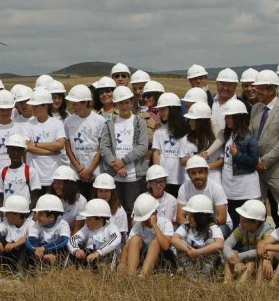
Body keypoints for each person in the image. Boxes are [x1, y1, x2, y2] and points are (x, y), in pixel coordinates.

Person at [250, 70, 279, 224]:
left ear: (271, 89)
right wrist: (254, 159)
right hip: (258, 170)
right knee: (257, 210)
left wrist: (264, 161)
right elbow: (252, 136)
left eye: (260, 88)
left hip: (278, 171)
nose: (255, 91)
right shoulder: (256, 108)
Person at [98, 86, 149, 214]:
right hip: (114, 176)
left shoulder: (140, 122)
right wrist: (116, 165)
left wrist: (124, 161)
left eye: (127, 102)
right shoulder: (109, 124)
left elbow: (143, 147)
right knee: (114, 210)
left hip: (134, 177)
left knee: (133, 211)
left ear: (132, 103)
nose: (124, 106)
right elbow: (104, 147)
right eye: (121, 103)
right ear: (116, 104)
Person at [218, 98, 260, 226]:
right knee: (234, 222)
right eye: (226, 117)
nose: (227, 120)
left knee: (246, 222)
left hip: (244, 189)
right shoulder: (228, 135)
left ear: (238, 118)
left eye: (230, 117)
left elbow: (253, 161)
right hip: (229, 188)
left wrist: (237, 155)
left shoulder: (249, 137)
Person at [22, 89, 69, 190]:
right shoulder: (28, 124)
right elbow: (26, 146)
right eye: (32, 106)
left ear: (46, 106)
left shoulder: (57, 124)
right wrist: (51, 152)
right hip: (34, 177)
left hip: (53, 176)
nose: (33, 109)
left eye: (36, 106)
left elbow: (60, 145)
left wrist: (36, 144)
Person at [118, 193, 174, 276]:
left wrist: (155, 225)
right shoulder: (138, 226)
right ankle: (131, 274)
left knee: (156, 242)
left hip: (164, 260)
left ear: (155, 213)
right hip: (144, 259)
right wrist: (122, 262)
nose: (145, 221)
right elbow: (128, 246)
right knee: (134, 239)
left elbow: (166, 246)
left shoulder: (165, 223)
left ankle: (142, 276)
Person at [150, 92, 195, 197]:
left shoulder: (187, 130)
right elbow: (156, 153)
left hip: (182, 178)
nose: (161, 113)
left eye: (164, 109)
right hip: (166, 179)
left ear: (173, 109)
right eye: (160, 110)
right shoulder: (159, 131)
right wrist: (157, 174)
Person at [171, 194, 224, 277]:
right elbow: (174, 239)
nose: (188, 218)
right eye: (188, 214)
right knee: (181, 246)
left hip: (205, 262)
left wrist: (198, 252)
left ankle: (205, 276)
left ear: (201, 216)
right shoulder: (186, 226)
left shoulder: (213, 227)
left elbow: (219, 244)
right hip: (191, 259)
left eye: (192, 216)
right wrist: (190, 251)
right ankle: (191, 276)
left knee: (211, 243)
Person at [223, 199, 273, 282]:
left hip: (261, 259)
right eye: (240, 219)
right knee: (232, 254)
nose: (240, 223)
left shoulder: (268, 230)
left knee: (250, 263)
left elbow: (262, 250)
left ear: (256, 222)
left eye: (244, 221)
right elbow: (227, 244)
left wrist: (240, 256)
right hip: (244, 258)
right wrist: (235, 260)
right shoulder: (241, 228)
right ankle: (227, 284)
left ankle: (242, 286)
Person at [64, 84, 105, 186]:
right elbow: (68, 147)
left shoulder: (99, 120)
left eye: (75, 104)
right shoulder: (68, 121)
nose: (72, 107)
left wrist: (89, 170)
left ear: (85, 102)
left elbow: (101, 147)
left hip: (95, 174)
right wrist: (80, 169)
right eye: (71, 103)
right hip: (76, 174)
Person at [69, 198, 122, 269]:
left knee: (110, 255)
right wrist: (76, 250)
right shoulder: (86, 227)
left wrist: (98, 252)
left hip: (104, 256)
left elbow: (116, 239)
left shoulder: (111, 227)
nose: (86, 221)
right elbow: (73, 239)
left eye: (89, 219)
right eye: (86, 218)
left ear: (100, 220)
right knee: (73, 252)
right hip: (89, 256)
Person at [175, 156, 228, 226]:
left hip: (215, 224)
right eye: (193, 173)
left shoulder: (216, 188)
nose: (197, 176)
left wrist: (202, 228)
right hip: (192, 225)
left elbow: (222, 217)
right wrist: (192, 227)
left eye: (200, 172)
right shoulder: (184, 188)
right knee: (176, 230)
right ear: (188, 174)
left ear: (207, 173)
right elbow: (180, 217)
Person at [0, 194, 32, 272]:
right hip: (8, 255)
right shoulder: (7, 222)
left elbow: (28, 237)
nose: (5, 215)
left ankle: (20, 273)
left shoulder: (30, 223)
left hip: (23, 258)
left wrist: (14, 244)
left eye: (7, 213)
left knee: (25, 245)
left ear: (17, 214)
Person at [25, 194, 71, 268]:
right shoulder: (37, 224)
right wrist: (41, 252)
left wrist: (44, 249)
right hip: (40, 254)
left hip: (56, 254)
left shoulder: (63, 224)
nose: (37, 216)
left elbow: (64, 241)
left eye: (40, 214)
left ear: (51, 217)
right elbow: (30, 240)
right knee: (28, 248)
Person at [91, 173, 128, 242]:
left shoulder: (119, 211)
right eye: (100, 191)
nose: (103, 194)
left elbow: (120, 238)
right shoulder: (90, 207)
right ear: (96, 192)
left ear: (112, 193)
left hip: (112, 246)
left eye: (107, 191)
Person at [51, 165, 86, 234]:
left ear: (70, 185)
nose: (56, 186)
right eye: (55, 183)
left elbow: (76, 231)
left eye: (60, 183)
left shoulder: (81, 201)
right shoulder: (49, 197)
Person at [210, 68, 239, 135]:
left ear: (235, 86)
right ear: (217, 84)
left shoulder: (241, 105)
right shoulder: (209, 101)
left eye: (229, 84)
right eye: (222, 84)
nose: (225, 88)